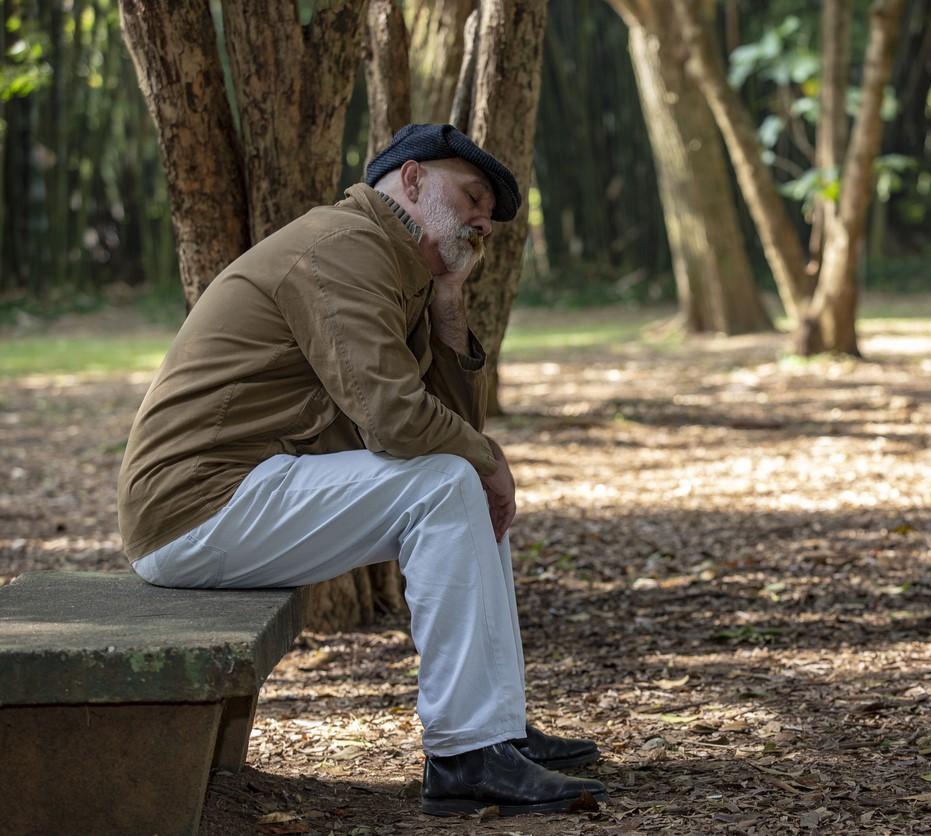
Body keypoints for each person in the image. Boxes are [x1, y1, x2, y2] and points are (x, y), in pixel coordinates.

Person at [117, 123, 607, 817]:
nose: (480, 221)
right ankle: (467, 755)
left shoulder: (402, 267)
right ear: (410, 180)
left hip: (250, 493)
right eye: (469, 196)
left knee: (457, 479)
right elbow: (397, 422)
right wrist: (489, 459)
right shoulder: (343, 247)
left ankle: (495, 730)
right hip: (199, 507)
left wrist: (447, 306)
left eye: (487, 218)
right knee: (448, 482)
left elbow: (446, 424)